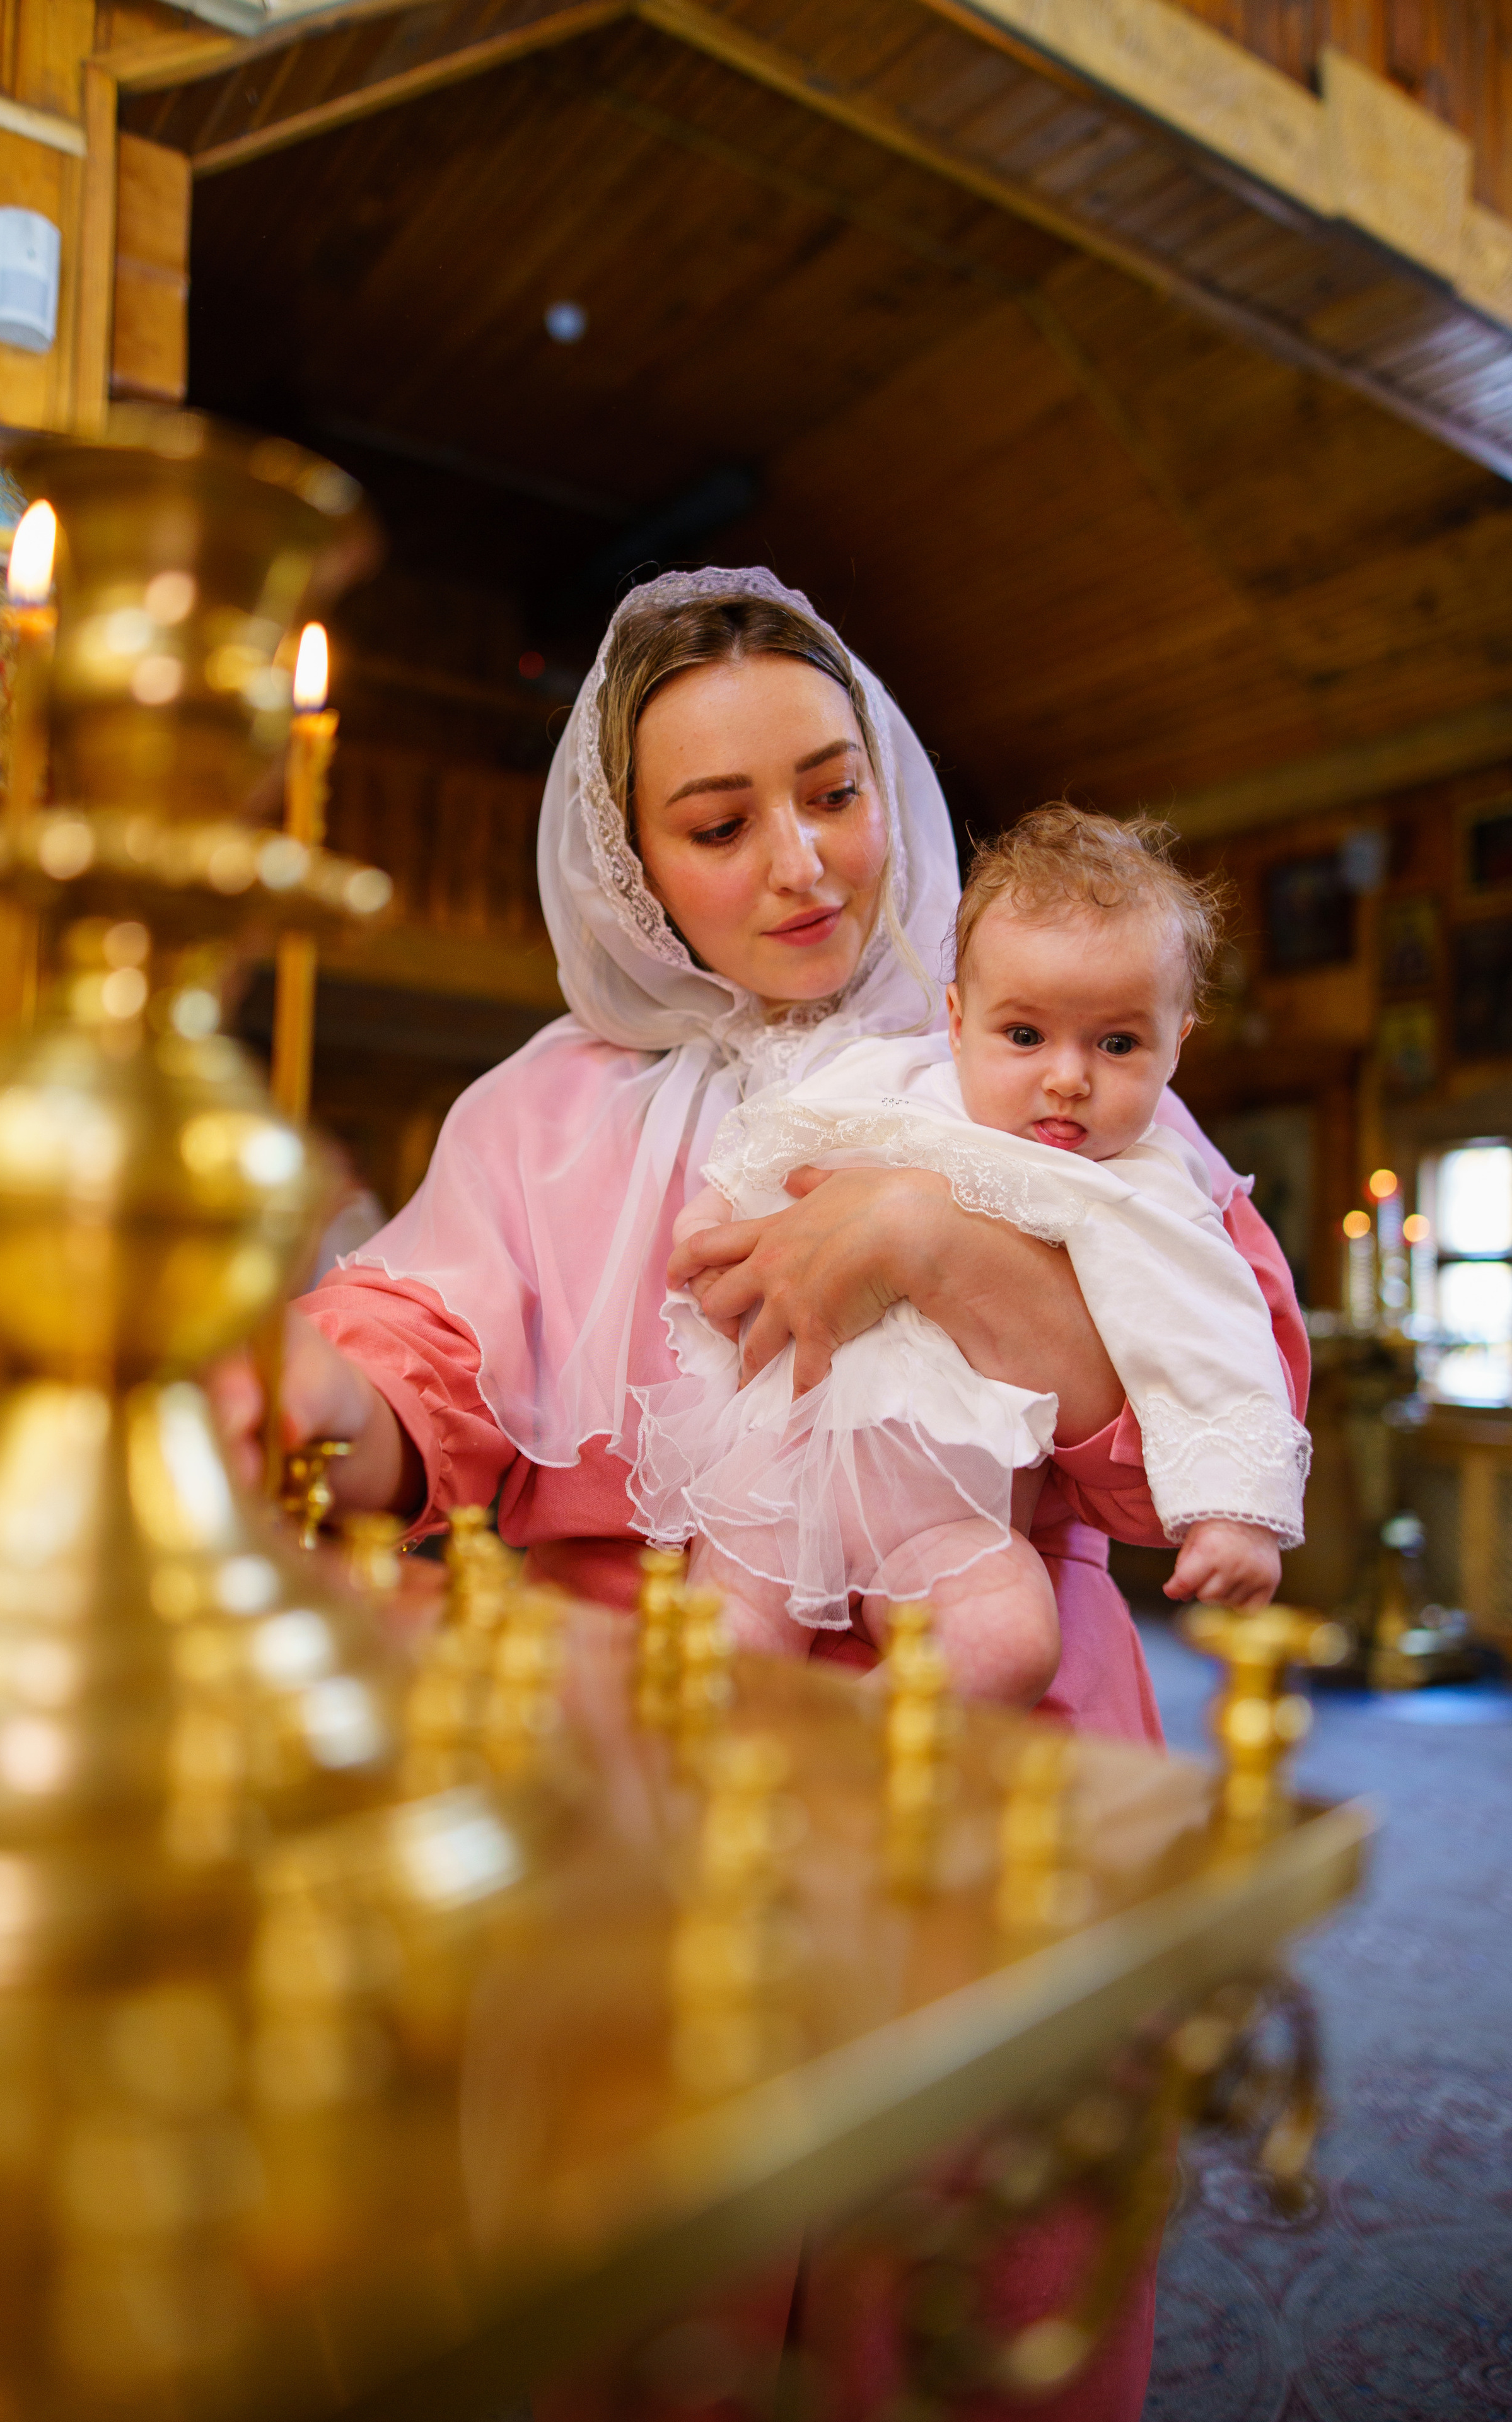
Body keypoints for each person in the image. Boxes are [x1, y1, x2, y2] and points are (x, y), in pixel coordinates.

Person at [210, 567, 1310, 2422]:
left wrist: (919, 1234)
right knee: (654, 2235)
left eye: (834, 790)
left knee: (955, 2242)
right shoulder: (548, 1108)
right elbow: (426, 1369)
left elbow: (1194, 1405)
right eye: (721, 824)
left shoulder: (1037, 1046)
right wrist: (282, 1384)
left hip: (989, 1717)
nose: (804, 864)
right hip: (655, 1736)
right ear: (638, 863)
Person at [637, 807, 1309, 1701]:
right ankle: (718, 1779)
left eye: (1117, 1043)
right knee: (718, 1647)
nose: (1067, 1076)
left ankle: (873, 1751)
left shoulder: (1146, 1189)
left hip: (950, 1517)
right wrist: (715, 1217)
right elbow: (786, 1134)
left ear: (1177, 1040)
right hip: (782, 1469)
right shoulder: (902, 1081)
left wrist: (1235, 1514)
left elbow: (1214, 1340)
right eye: (1024, 1036)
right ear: (957, 1020)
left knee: (1012, 1641)